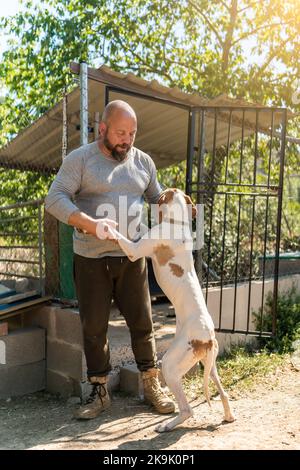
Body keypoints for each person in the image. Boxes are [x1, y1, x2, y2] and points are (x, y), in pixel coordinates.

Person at [45, 100, 175, 419]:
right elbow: (54, 198)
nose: (126, 140)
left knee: (143, 325)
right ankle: (99, 391)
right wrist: (91, 224)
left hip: (132, 258)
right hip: (90, 259)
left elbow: (155, 197)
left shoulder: (143, 162)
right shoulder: (81, 159)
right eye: (120, 132)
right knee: (94, 328)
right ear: (102, 129)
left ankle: (151, 384)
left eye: (132, 133)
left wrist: (172, 204)